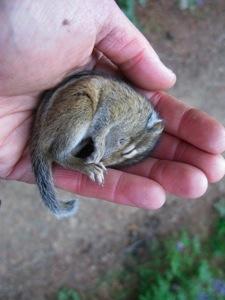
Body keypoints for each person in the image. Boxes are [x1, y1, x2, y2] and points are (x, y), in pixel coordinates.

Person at [0, 0, 224, 210]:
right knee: (81, 114)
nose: (118, 144)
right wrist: (97, 142)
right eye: (123, 141)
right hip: (82, 99)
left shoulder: (134, 127)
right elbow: (105, 112)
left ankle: (63, 155)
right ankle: (64, 156)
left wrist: (103, 150)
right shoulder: (133, 110)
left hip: (52, 115)